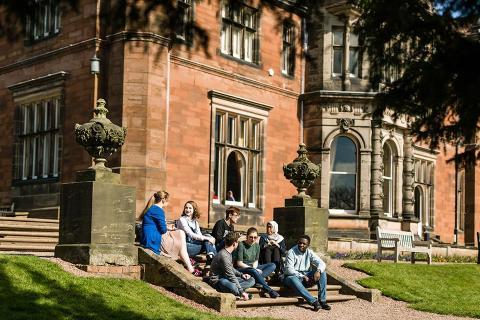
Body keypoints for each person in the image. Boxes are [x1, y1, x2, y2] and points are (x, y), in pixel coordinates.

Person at [139, 191, 202, 277]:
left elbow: (158, 226)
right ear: (163, 200)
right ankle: (189, 265)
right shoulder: (158, 210)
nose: (168, 203)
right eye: (168, 200)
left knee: (180, 233)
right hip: (152, 240)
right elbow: (163, 230)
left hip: (150, 237)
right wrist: (168, 228)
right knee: (181, 234)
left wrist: (168, 227)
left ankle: (189, 265)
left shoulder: (153, 208)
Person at [283, 235, 331, 311]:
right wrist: (302, 276)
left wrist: (318, 271)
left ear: (308, 245)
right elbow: (289, 270)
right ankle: (314, 302)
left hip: (305, 277)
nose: (301, 245)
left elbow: (322, 263)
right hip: (290, 278)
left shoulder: (309, 252)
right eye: (300, 243)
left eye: (304, 244)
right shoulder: (291, 252)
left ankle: (322, 301)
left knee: (323, 273)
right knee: (293, 278)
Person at [209, 232, 255, 300]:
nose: (238, 244)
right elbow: (230, 275)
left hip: (227, 279)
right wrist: (242, 291)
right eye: (237, 242)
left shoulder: (229, 253)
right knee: (231, 285)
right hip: (218, 281)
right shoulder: (223, 255)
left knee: (251, 280)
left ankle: (236, 291)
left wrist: (241, 275)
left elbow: (231, 269)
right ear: (234, 243)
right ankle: (241, 292)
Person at [235, 227, 279, 298]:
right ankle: (269, 290)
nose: (253, 239)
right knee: (254, 271)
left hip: (253, 267)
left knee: (273, 265)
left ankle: (256, 279)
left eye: (255, 237)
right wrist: (253, 269)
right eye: (251, 237)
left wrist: (254, 268)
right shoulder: (241, 245)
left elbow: (256, 261)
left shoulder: (257, 246)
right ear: (247, 237)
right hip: (242, 268)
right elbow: (239, 263)